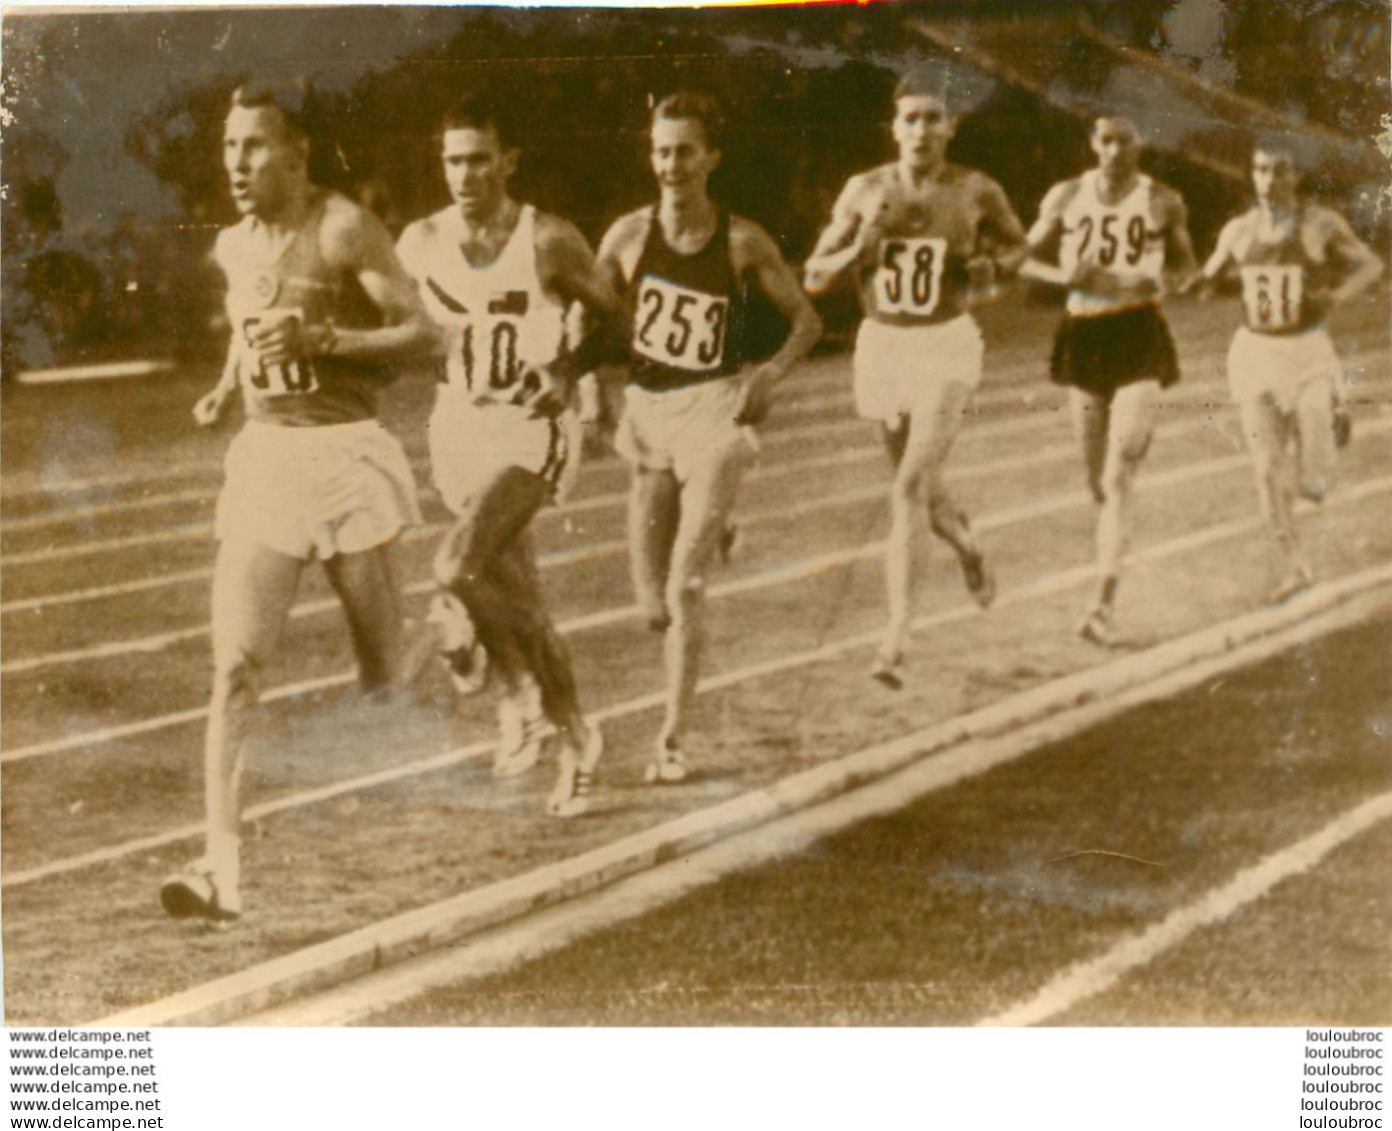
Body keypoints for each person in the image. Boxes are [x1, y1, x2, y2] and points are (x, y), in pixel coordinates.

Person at [161, 79, 439, 922]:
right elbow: (253, 328)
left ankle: (450, 624)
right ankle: (221, 869)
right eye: (229, 148)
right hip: (268, 460)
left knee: (384, 681)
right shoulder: (233, 247)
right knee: (236, 665)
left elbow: (426, 335)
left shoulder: (343, 227)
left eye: (254, 146)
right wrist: (224, 388)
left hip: (348, 454)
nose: (237, 163)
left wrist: (328, 340)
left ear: (296, 152)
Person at [396, 95, 621, 817]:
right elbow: (397, 327)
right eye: (454, 160)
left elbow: (620, 317)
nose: (465, 174)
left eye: (479, 159)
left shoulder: (548, 239)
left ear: (508, 161)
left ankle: (517, 694)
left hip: (532, 427)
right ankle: (580, 739)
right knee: (524, 605)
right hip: (458, 427)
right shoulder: (419, 242)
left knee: (455, 564)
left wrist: (569, 369)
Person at [597, 92, 822, 783]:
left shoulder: (741, 240)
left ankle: (672, 736)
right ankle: (717, 523)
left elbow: (807, 321)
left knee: (684, 586)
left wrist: (769, 377)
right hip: (648, 417)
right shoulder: (626, 238)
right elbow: (593, 323)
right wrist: (594, 393)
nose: (672, 165)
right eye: (662, 151)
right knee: (650, 606)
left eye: (685, 151)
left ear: (711, 158)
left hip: (714, 414)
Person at [804, 76, 1027, 689]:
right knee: (922, 495)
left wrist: (990, 267)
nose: (923, 130)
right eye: (912, 119)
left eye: (934, 118)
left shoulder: (975, 189)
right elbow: (816, 278)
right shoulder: (865, 190)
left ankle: (896, 639)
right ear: (894, 128)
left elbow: (1020, 250)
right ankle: (967, 546)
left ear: (951, 127)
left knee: (907, 487)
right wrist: (858, 249)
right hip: (882, 347)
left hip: (946, 345)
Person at [1019, 113, 1197, 645]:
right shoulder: (1066, 195)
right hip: (1085, 334)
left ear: (1141, 142)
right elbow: (1020, 256)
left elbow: (1188, 268)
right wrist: (1061, 276)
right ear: (1093, 143)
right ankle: (1115, 534)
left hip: (1139, 331)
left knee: (1119, 477)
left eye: (1126, 139)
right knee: (1097, 481)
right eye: (1106, 140)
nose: (1115, 149)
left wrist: (1158, 280)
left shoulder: (1164, 199)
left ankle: (1102, 605)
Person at [1187, 140, 1382, 602]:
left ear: (1295, 177)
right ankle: (1295, 566)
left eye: (1278, 171)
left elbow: (1371, 265)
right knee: (1265, 470)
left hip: (1308, 354)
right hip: (1255, 353)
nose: (1268, 180)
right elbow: (1207, 276)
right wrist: (1190, 281)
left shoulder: (1319, 225)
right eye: (1260, 171)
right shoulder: (1237, 231)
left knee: (1313, 484)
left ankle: (1330, 420)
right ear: (1251, 176)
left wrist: (1335, 295)